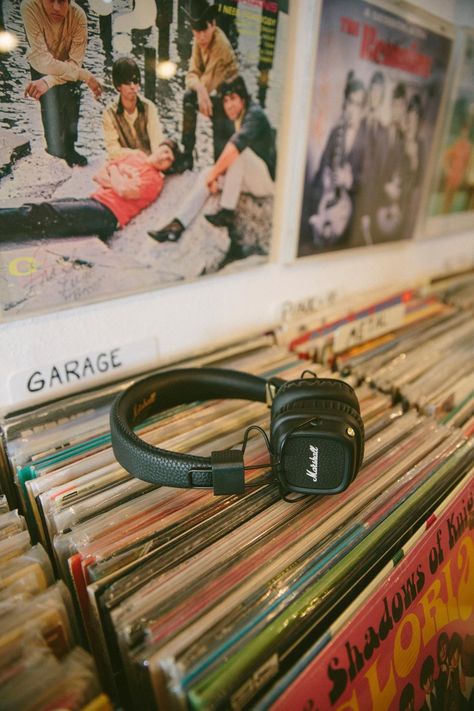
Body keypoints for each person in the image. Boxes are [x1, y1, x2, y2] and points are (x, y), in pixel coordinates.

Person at [148, 75, 276, 249]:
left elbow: (234, 150)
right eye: (225, 101)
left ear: (243, 98)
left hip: (266, 183)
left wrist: (215, 175)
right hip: (249, 179)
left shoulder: (255, 115)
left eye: (233, 99)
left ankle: (227, 210)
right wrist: (213, 176)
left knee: (237, 153)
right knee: (205, 173)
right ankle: (177, 225)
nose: (228, 105)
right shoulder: (239, 115)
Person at [0, 140, 179, 243]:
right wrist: (115, 179)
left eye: (170, 159)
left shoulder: (155, 181)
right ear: (158, 148)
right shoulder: (135, 156)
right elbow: (98, 176)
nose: (165, 157)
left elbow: (124, 191)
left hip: (107, 215)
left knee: (43, 214)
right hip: (92, 201)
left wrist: (114, 169)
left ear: (169, 166)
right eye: (165, 151)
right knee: (41, 209)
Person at [20, 0, 103, 166]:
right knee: (51, 110)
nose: (57, 7)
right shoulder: (29, 7)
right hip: (42, 67)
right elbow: (44, 61)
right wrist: (85, 76)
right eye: (51, 0)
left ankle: (70, 149)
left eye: (62, 1)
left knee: (72, 106)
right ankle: (54, 153)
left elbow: (75, 63)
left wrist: (48, 81)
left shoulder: (78, 15)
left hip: (70, 66)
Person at [304, 71, 366, 250]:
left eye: (358, 105)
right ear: (345, 105)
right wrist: (324, 180)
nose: (353, 110)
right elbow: (320, 171)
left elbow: (374, 182)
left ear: (363, 110)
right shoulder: (335, 134)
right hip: (328, 206)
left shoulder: (369, 139)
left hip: (351, 220)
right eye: (350, 103)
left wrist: (350, 180)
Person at [181, 0, 238, 168]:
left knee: (221, 161)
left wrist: (201, 89)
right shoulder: (200, 41)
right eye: (196, 31)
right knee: (189, 97)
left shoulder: (221, 45)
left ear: (213, 24)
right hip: (216, 95)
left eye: (204, 30)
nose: (201, 37)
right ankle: (187, 154)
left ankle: (221, 165)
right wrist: (199, 89)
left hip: (231, 103)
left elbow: (208, 82)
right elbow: (192, 74)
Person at [103, 57, 165, 159]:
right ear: (118, 86)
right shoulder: (109, 113)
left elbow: (156, 141)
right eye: (127, 83)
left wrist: (154, 161)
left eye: (135, 81)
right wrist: (134, 154)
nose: (133, 86)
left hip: (148, 160)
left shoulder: (149, 107)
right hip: (123, 161)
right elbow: (112, 149)